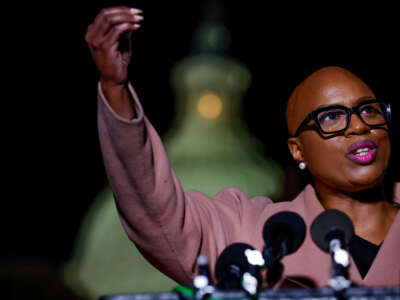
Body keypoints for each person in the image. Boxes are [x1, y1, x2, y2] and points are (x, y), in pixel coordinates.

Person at [85, 6, 400, 288]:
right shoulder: (259, 231)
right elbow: (157, 214)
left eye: (369, 110)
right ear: (297, 150)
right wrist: (116, 88)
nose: (359, 126)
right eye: (332, 116)